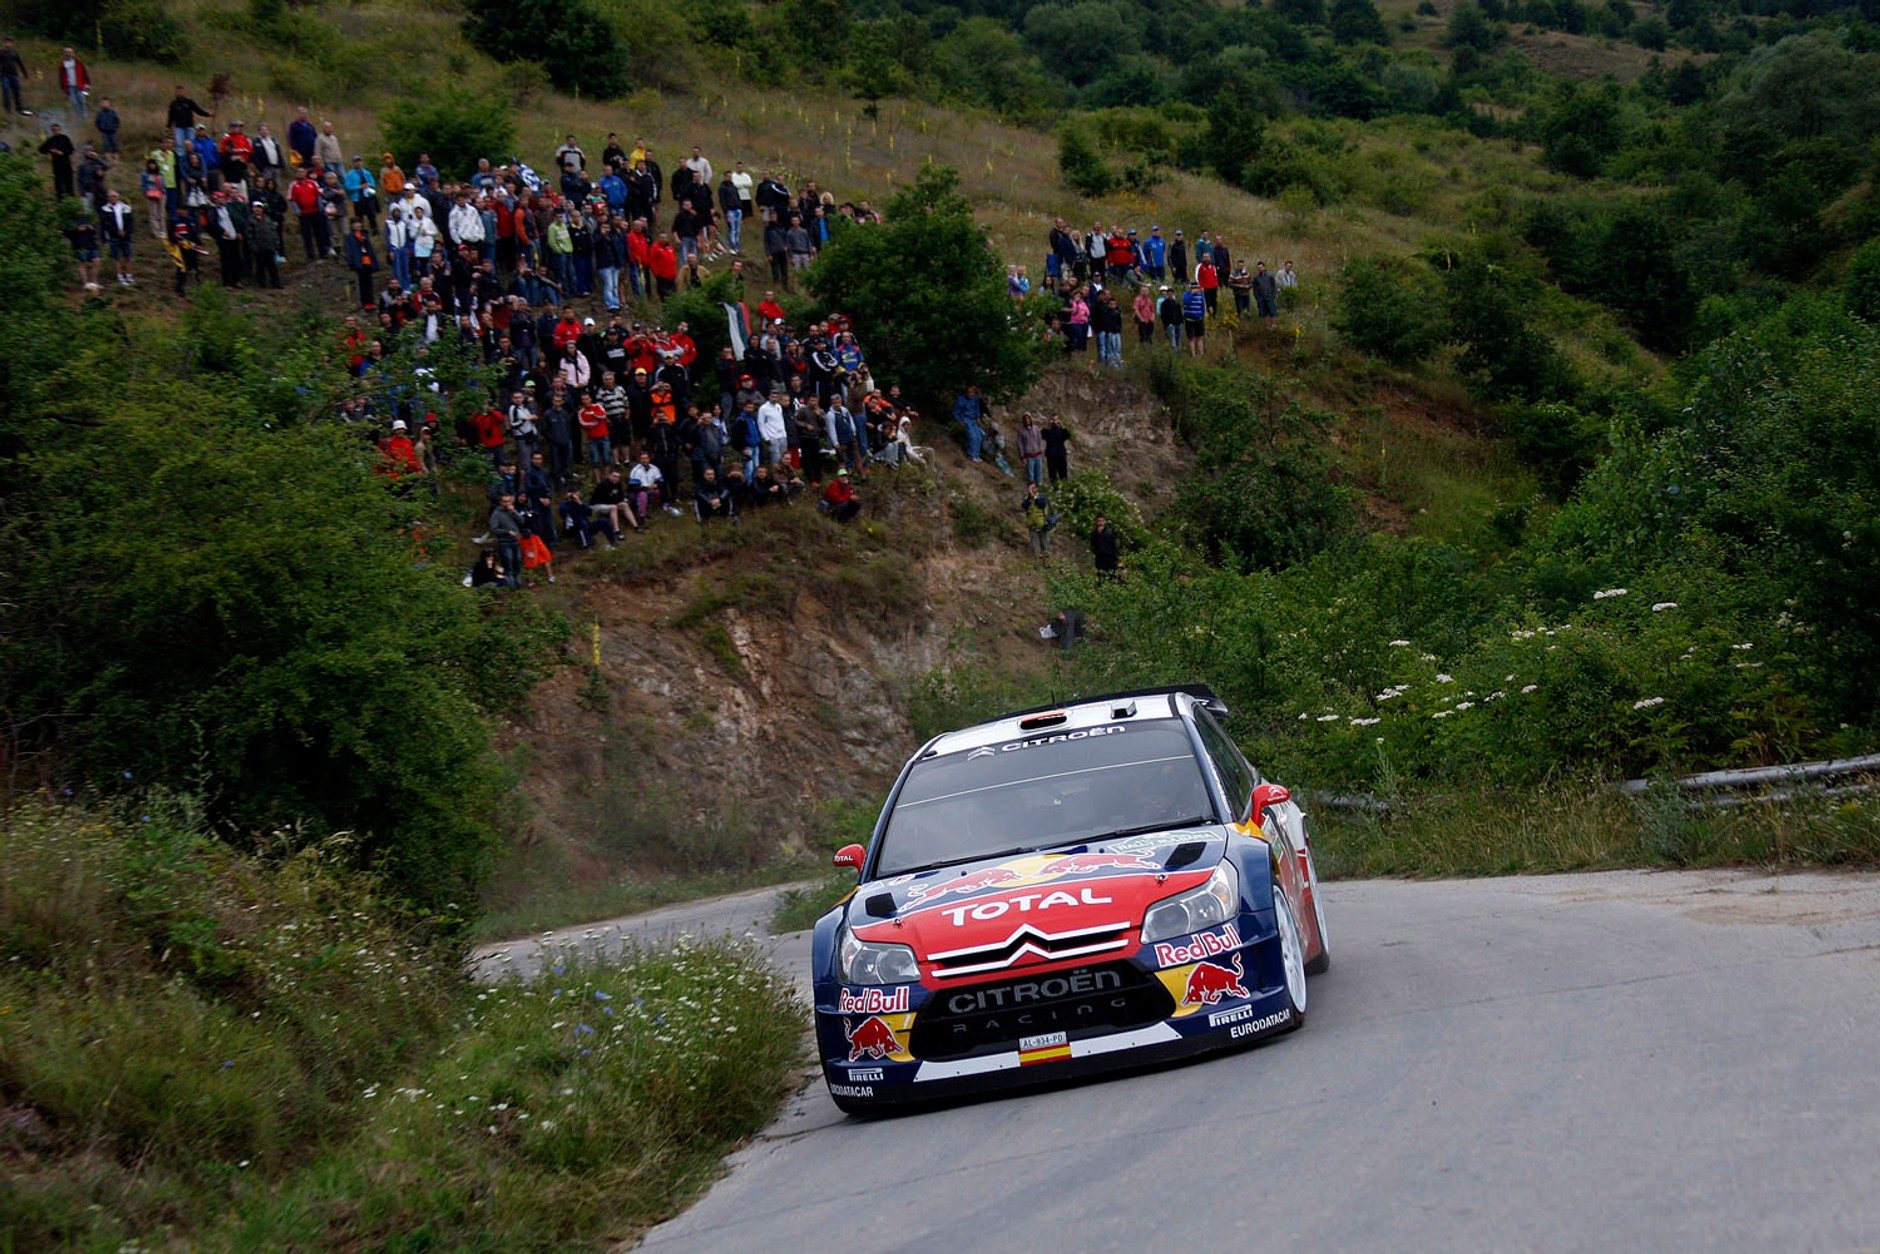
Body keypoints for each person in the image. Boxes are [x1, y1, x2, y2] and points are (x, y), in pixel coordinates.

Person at [488, 493, 524, 588]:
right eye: (505, 501)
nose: (507, 503)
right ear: (500, 502)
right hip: (505, 542)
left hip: (516, 541)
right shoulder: (496, 514)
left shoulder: (512, 511)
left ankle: (518, 582)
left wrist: (514, 512)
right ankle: (510, 584)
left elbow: (522, 521)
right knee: (508, 563)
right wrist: (507, 532)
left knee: (518, 561)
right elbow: (493, 528)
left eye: (509, 501)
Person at [100, 189, 135, 285]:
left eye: (114, 196)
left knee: (127, 256)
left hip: (125, 236)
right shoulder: (105, 209)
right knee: (116, 257)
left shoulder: (126, 208)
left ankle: (129, 275)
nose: (113, 198)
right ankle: (119, 275)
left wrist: (126, 232)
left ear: (118, 197)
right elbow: (105, 224)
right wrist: (116, 231)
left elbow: (131, 222)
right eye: (111, 197)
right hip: (114, 236)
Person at [166, 85, 213, 155]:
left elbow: (198, 110)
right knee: (179, 144)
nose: (180, 93)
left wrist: (208, 114)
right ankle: (181, 159)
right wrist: (169, 126)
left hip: (189, 126)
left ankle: (192, 157)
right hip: (179, 127)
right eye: (178, 91)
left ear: (184, 92)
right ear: (176, 93)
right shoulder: (174, 104)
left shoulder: (189, 102)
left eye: (181, 91)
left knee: (191, 143)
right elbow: (171, 116)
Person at [343, 219, 377, 305]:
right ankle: (364, 302)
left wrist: (374, 261)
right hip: (359, 262)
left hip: (367, 261)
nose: (358, 225)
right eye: (355, 223)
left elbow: (370, 249)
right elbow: (348, 251)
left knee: (369, 283)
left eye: (359, 223)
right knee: (362, 284)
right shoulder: (349, 237)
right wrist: (351, 262)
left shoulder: (364, 235)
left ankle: (371, 301)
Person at [39, 124, 76, 200]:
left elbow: (71, 149)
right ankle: (60, 201)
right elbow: (41, 150)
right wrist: (50, 150)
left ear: (59, 130)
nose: (56, 131)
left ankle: (71, 200)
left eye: (57, 129)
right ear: (52, 131)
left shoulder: (65, 138)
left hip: (66, 164)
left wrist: (62, 153)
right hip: (56, 165)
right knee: (58, 184)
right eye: (54, 130)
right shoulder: (50, 140)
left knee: (69, 183)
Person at [953, 384, 988, 462]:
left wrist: (978, 418)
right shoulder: (961, 399)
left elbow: (977, 409)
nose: (970, 394)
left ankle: (976, 455)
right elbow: (956, 412)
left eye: (972, 392)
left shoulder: (975, 399)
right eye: (969, 392)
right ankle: (971, 455)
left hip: (974, 419)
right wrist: (959, 420)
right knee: (972, 436)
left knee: (979, 436)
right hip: (966, 418)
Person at [1021, 481, 1054, 558]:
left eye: (1033, 488)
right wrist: (1029, 498)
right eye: (1030, 489)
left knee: (1045, 544)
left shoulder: (1042, 496)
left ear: (1037, 488)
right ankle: (1037, 561)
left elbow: (1042, 504)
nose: (1032, 490)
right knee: (1035, 545)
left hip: (1042, 524)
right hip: (1032, 524)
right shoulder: (1028, 499)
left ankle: (1047, 562)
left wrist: (1035, 497)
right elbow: (1024, 506)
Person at [57, 47, 89, 120]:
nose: (69, 54)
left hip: (79, 85)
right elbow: (61, 76)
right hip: (70, 86)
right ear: (65, 54)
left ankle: (84, 117)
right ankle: (77, 117)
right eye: (67, 52)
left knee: (82, 101)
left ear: (73, 53)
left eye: (70, 52)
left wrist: (87, 83)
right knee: (73, 102)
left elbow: (84, 73)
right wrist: (63, 87)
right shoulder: (63, 64)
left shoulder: (78, 62)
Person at [1016, 413, 1045, 486]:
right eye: (1025, 419)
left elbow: (1039, 440)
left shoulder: (1036, 428)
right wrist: (1022, 456)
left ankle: (1039, 488)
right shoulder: (1021, 431)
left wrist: (1040, 450)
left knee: (1039, 472)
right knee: (1030, 474)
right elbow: (1020, 444)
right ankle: (1032, 490)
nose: (1027, 420)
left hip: (1037, 454)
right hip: (1028, 456)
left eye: (1028, 418)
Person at [1042, 414, 1071, 483]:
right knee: (1052, 475)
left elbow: (1068, 435)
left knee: (1063, 474)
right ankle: (1054, 490)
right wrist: (1048, 426)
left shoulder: (1061, 431)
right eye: (1053, 420)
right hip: (1051, 456)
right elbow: (1043, 435)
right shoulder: (1048, 431)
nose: (1055, 422)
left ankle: (1064, 488)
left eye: (1056, 420)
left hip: (1060, 455)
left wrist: (1062, 426)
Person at [0, 37, 26, 116]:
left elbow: (20, 63)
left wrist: (25, 73)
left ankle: (19, 108)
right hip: (4, 75)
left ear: (11, 44)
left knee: (16, 92)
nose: (7, 44)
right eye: (6, 42)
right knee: (6, 91)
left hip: (14, 75)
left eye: (9, 42)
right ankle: (8, 109)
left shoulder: (14, 52)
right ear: (3, 43)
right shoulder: (1, 52)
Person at [1182, 282, 1208, 358]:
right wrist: (1192, 294)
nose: (1196, 290)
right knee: (1191, 338)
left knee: (1200, 337)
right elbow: (1185, 302)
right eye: (1194, 288)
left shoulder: (1201, 296)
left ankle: (1201, 354)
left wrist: (1202, 316)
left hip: (1199, 319)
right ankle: (1193, 355)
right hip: (1189, 320)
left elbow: (1203, 306)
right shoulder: (1186, 295)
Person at [1091, 514, 1121, 579]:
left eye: (1102, 521)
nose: (1100, 523)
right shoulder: (1094, 533)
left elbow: (1114, 546)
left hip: (1110, 558)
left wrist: (1117, 559)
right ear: (1096, 522)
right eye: (1099, 521)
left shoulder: (1109, 533)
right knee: (1101, 576)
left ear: (1105, 522)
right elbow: (1093, 545)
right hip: (1100, 559)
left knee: (1113, 576)